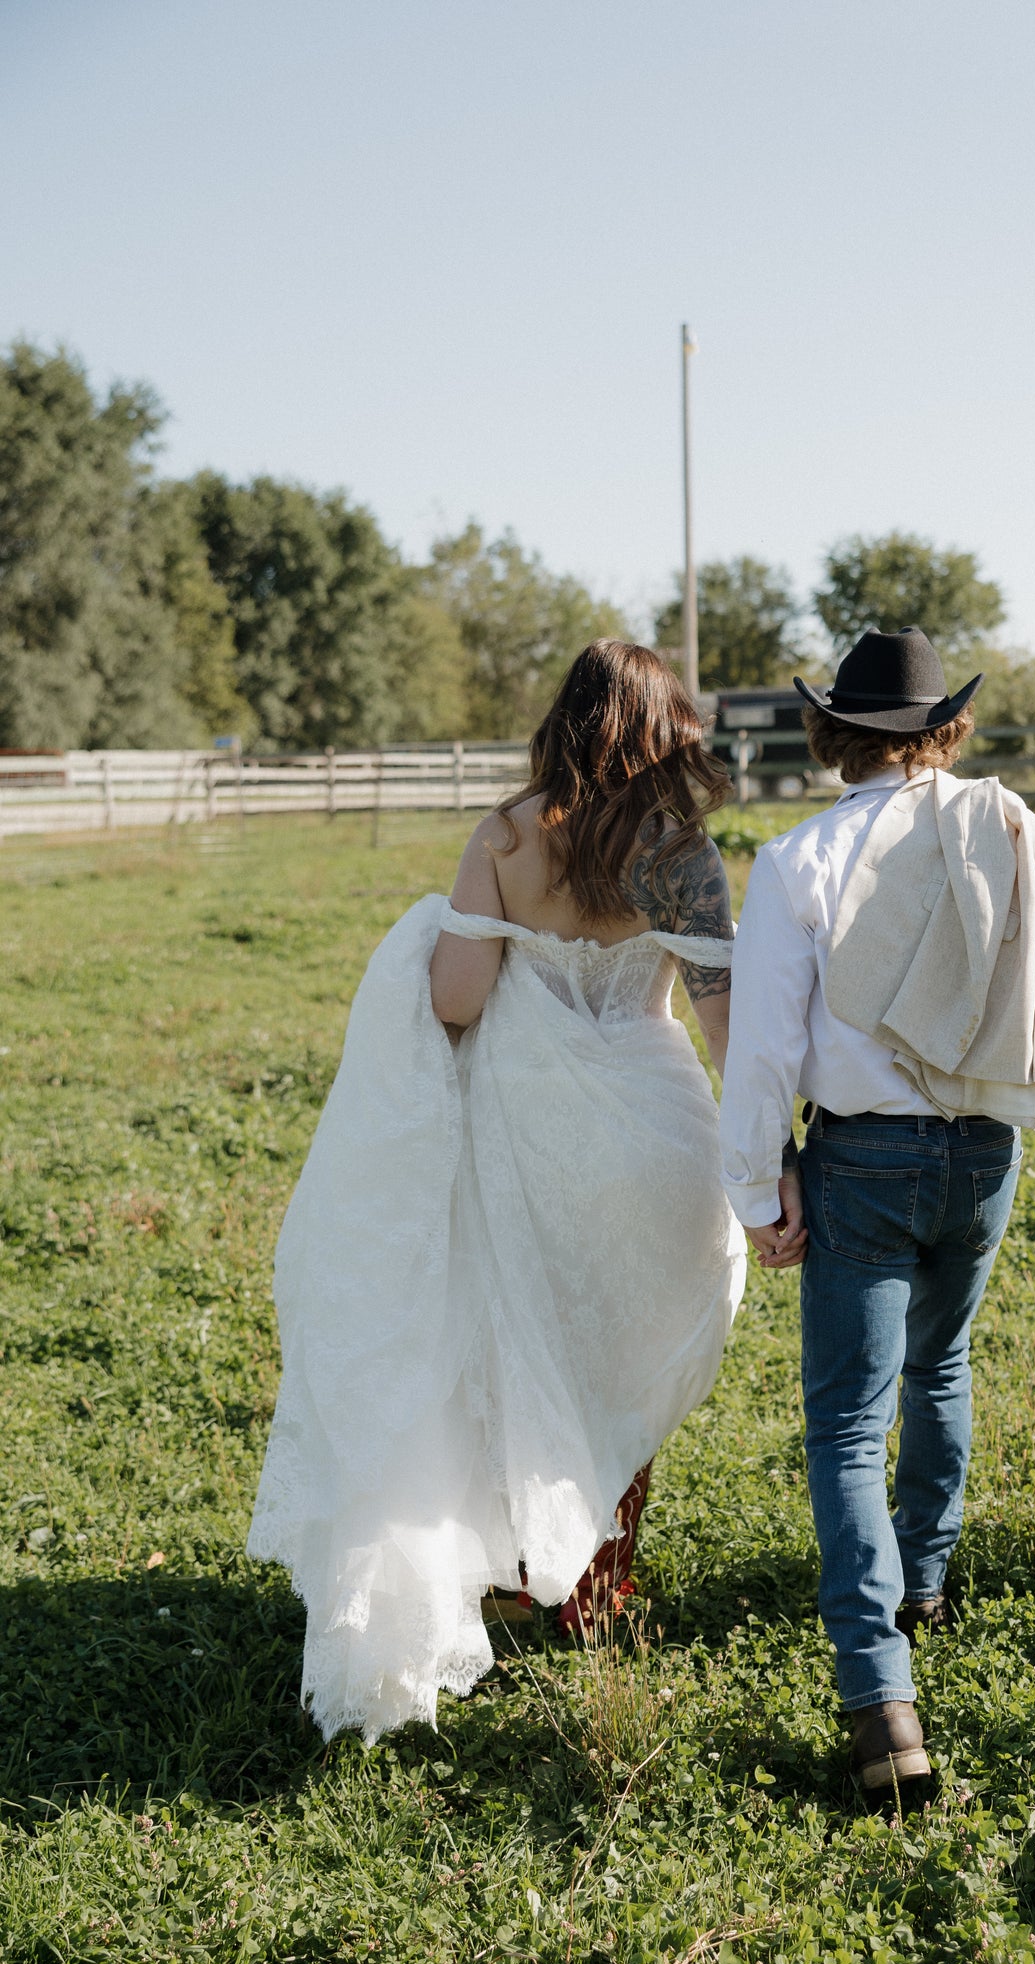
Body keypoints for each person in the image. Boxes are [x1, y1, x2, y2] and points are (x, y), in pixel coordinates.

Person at [248, 642, 747, 1743]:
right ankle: (595, 1583)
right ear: (665, 730)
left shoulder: (509, 836)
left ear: (567, 721)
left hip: (528, 1131)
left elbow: (457, 998)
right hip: (653, 1129)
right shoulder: (683, 854)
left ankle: (528, 1566)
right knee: (620, 1347)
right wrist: (774, 1155)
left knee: (528, 1335)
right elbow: (724, 1025)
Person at [718, 627, 1035, 1803]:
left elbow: (761, 1052)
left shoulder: (798, 859)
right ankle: (922, 1585)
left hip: (862, 1155)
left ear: (828, 730)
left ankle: (880, 1700)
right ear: (943, 727)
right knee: (939, 1366)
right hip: (984, 1149)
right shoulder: (1016, 838)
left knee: (846, 1425)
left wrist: (756, 1186)